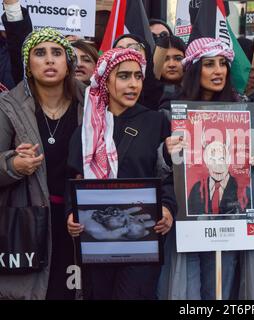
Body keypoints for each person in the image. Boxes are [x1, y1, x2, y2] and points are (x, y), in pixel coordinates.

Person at [158, 37, 254, 300]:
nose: (218, 71)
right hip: (186, 221)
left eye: (223, 64)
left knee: (222, 289)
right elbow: (158, 168)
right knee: (187, 289)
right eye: (209, 64)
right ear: (195, 69)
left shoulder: (243, 108)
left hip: (231, 224)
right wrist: (165, 151)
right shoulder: (170, 112)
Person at [66, 48, 176, 300]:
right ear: (106, 81)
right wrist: (71, 214)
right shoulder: (87, 129)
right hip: (98, 238)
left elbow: (167, 174)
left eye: (138, 76)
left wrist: (168, 208)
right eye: (124, 76)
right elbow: (73, 179)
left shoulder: (156, 122)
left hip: (141, 238)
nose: (133, 84)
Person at [0, 27, 85, 300]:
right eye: (40, 53)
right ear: (27, 63)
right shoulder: (8, 105)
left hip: (78, 221)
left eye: (57, 53)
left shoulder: (92, 103)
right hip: (27, 223)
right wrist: (13, 164)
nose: (49, 60)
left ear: (68, 63)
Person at [113, 33, 164, 110]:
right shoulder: (109, 95)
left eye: (134, 48)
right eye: (120, 50)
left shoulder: (164, 94)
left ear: (147, 54)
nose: (127, 53)